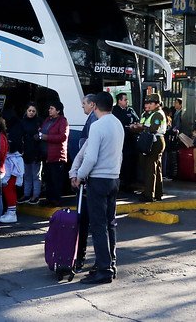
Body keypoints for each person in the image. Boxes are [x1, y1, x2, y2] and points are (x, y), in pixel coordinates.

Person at [72, 92, 124, 284]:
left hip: (99, 180)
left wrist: (79, 176)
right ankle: (111, 263)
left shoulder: (97, 126)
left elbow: (91, 157)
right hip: (113, 179)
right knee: (110, 224)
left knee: (98, 225)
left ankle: (103, 269)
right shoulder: (117, 124)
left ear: (95, 106)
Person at [132, 93, 166, 203]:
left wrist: (141, 127)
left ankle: (149, 194)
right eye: (148, 103)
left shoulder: (158, 114)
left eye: (151, 103)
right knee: (155, 168)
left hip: (155, 141)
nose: (149, 105)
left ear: (157, 104)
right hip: (151, 140)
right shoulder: (150, 114)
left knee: (150, 169)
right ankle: (157, 193)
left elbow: (153, 129)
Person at [39, 102, 69, 207]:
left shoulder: (62, 121)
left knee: (56, 178)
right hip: (46, 154)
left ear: (58, 110)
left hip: (57, 155)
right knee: (48, 178)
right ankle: (49, 198)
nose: (49, 110)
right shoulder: (47, 120)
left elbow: (63, 137)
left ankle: (56, 200)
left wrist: (46, 137)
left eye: (52, 108)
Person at [12, 104, 42, 204]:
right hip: (25, 152)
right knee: (27, 175)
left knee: (36, 175)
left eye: (33, 111)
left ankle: (35, 195)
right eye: (29, 110)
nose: (31, 112)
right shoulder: (22, 122)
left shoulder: (39, 122)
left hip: (36, 152)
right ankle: (27, 194)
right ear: (26, 111)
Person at [112, 93, 140, 192]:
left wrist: (135, 125)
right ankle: (122, 183)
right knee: (123, 162)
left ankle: (130, 183)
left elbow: (137, 119)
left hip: (131, 140)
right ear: (119, 101)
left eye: (127, 99)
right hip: (121, 141)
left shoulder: (130, 110)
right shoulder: (115, 111)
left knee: (131, 161)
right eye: (125, 99)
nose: (127, 101)